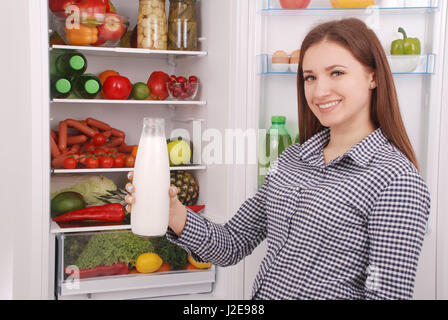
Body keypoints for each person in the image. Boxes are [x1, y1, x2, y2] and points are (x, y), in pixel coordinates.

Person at [125, 18, 430, 300]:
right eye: (310, 77)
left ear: (372, 77)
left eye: (336, 73)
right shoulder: (293, 160)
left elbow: (385, 294)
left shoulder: (395, 180)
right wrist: (173, 212)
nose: (320, 90)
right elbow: (232, 243)